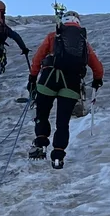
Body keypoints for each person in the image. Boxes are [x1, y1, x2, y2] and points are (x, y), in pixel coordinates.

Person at [26, 11, 104, 169]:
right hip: (71, 84)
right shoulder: (83, 42)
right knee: (63, 122)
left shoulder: (52, 36)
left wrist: (33, 77)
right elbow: (97, 67)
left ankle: (40, 144)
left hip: (48, 80)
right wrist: (97, 80)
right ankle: (58, 156)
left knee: (42, 114)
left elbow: (38, 57)